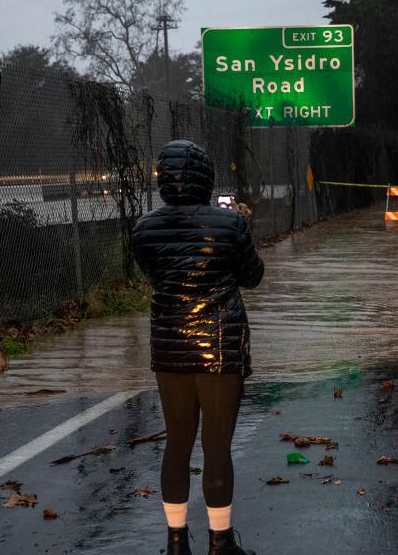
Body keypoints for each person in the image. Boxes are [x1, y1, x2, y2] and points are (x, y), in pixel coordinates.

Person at [131, 140, 264, 555]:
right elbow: (253, 276)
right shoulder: (229, 225)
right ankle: (219, 542)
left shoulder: (143, 229)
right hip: (219, 348)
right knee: (216, 446)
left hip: (170, 349)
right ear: (206, 178)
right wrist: (242, 225)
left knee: (177, 441)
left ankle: (175, 542)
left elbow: (154, 274)